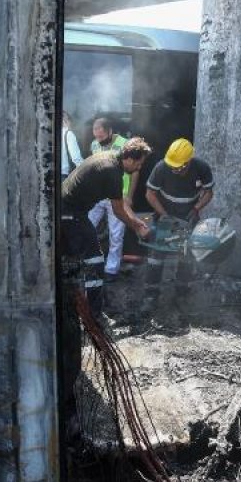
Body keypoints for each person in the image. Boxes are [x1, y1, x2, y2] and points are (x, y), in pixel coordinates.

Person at [59, 138, 152, 436]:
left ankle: (78, 300)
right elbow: (120, 211)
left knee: (77, 259)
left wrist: (135, 220)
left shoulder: (108, 158)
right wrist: (139, 226)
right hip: (69, 215)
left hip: (67, 211)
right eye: (139, 164)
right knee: (95, 261)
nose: (139, 169)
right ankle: (94, 313)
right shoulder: (113, 171)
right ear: (131, 158)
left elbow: (120, 205)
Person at [143, 138, 214, 309]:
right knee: (156, 257)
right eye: (173, 166)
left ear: (188, 161)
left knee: (186, 256)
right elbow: (150, 194)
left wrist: (196, 209)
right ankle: (151, 295)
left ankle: (182, 294)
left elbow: (208, 192)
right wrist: (165, 215)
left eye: (179, 167)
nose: (175, 169)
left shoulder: (202, 168)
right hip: (164, 216)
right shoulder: (161, 168)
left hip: (189, 217)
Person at [87, 117, 138, 281]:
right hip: (98, 195)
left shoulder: (125, 145)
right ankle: (87, 263)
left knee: (116, 235)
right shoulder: (94, 145)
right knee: (87, 226)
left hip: (118, 196)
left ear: (110, 131)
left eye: (101, 136)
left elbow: (135, 171)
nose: (99, 140)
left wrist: (129, 196)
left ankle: (111, 269)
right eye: (96, 137)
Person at [61, 110, 83, 181]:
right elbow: (76, 158)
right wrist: (85, 170)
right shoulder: (69, 134)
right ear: (66, 121)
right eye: (69, 119)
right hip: (64, 176)